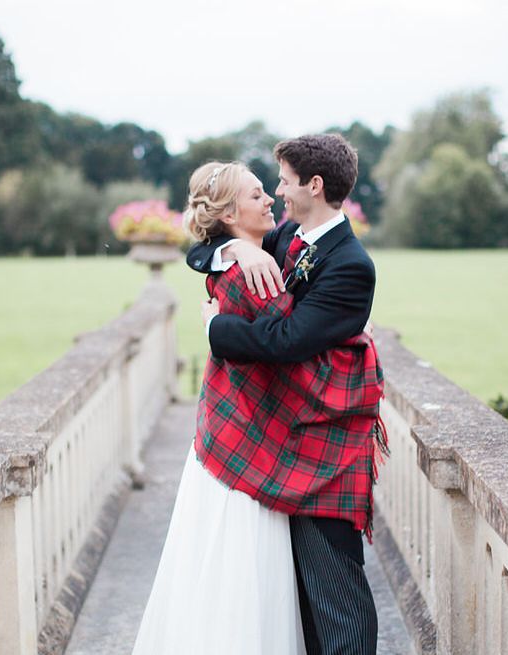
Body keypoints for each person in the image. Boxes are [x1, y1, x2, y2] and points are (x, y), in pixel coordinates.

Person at [132, 159, 384, 655]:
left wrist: (215, 328)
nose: (273, 194)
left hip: (312, 445)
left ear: (313, 185)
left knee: (332, 593)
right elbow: (203, 251)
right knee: (292, 590)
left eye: (281, 183)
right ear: (227, 214)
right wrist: (234, 249)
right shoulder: (272, 247)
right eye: (256, 193)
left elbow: (289, 337)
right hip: (279, 443)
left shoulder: (330, 255)